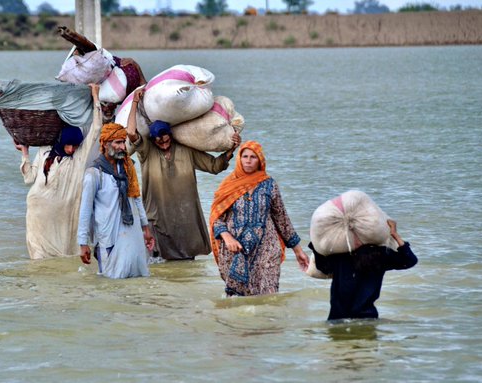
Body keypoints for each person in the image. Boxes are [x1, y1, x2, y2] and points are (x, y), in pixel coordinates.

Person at [125, 88, 241, 261]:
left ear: (171, 136)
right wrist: (135, 102)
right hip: (157, 217)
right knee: (156, 262)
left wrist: (231, 148)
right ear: (153, 140)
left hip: (185, 218)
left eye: (166, 139)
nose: (163, 143)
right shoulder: (147, 152)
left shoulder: (187, 150)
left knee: (186, 262)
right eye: (159, 140)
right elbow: (131, 133)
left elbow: (215, 166)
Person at [209, 140, 309, 296]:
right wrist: (227, 237)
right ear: (239, 159)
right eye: (245, 156)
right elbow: (216, 218)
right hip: (235, 250)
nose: (248, 161)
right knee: (237, 302)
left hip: (267, 249)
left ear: (260, 161)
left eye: (253, 157)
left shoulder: (269, 185)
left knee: (268, 296)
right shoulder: (228, 185)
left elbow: (282, 219)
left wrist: (298, 251)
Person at [15, 83, 102, 260]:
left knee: (66, 253)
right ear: (61, 142)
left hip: (65, 213)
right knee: (39, 256)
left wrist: (95, 98)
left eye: (75, 146)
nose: (71, 149)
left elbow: (96, 129)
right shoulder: (45, 152)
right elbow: (29, 178)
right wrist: (25, 153)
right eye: (68, 145)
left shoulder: (79, 157)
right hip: (38, 211)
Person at [77, 122, 155, 279]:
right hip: (108, 236)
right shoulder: (94, 174)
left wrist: (146, 228)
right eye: (117, 142)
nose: (122, 147)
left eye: (123, 142)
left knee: (136, 276)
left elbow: (136, 198)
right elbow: (85, 210)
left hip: (131, 232)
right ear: (105, 144)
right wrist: (83, 243)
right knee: (111, 281)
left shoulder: (127, 168)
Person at [309, 219, 418, 321]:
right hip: (367, 318)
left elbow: (322, 267)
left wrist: (317, 240)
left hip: (338, 318)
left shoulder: (340, 255)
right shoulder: (381, 255)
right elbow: (410, 260)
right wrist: (395, 234)